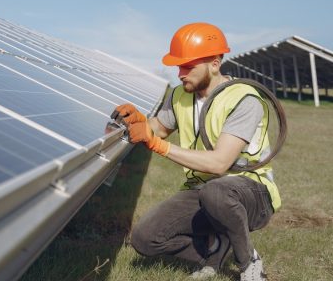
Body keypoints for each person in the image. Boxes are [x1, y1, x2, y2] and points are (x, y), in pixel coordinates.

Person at [111, 22, 280, 281]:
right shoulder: (180, 94)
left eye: (188, 66)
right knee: (145, 239)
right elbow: (160, 128)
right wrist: (140, 121)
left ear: (214, 63)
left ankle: (249, 264)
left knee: (217, 191)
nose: (180, 73)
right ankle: (215, 249)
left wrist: (157, 145)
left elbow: (219, 163)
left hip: (251, 193)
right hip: (202, 189)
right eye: (179, 66)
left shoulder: (244, 99)